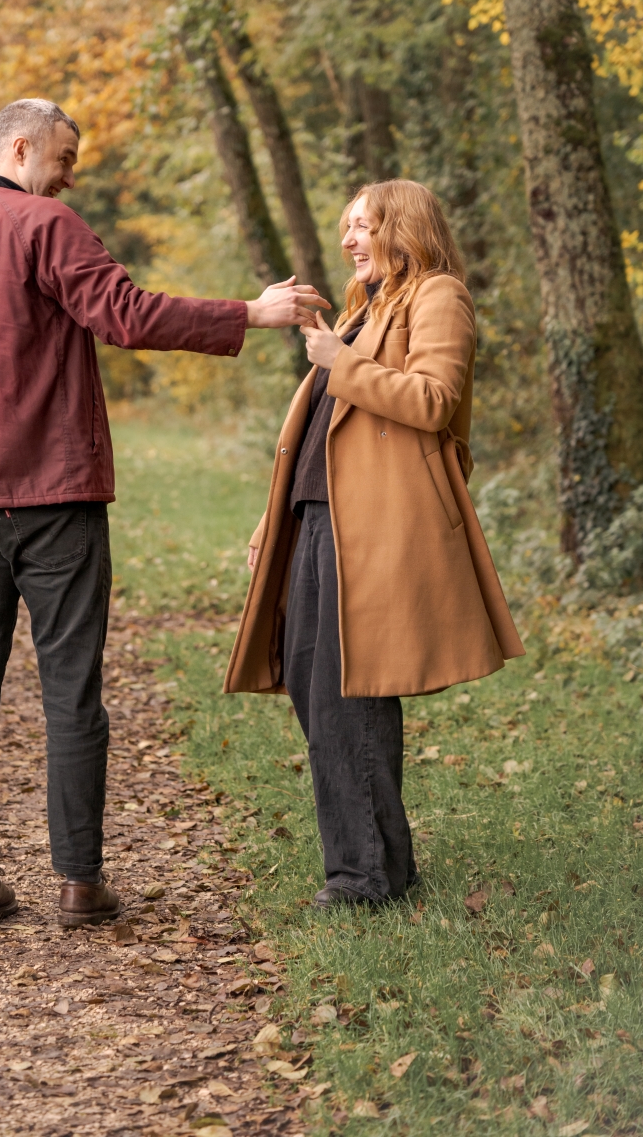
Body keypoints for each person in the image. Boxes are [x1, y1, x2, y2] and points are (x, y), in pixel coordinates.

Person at [0, 97, 329, 929]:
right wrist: (250, 313)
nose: (71, 173)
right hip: (53, 498)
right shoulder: (47, 225)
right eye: (65, 157)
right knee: (70, 690)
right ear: (19, 147)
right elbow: (125, 313)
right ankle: (79, 884)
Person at [222, 179, 524, 908]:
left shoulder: (437, 295)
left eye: (363, 226)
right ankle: (384, 864)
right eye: (347, 227)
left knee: (347, 695)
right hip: (320, 520)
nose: (348, 240)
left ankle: (363, 879)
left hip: (378, 526)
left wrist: (339, 362)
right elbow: (323, 437)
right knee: (314, 687)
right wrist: (276, 517)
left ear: (403, 228)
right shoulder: (365, 311)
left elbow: (433, 401)